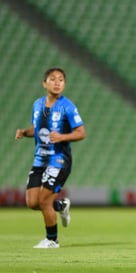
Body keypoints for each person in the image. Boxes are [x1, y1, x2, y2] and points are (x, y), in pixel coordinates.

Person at [15, 68, 86, 248]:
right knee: (32, 203)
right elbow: (36, 128)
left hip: (59, 160)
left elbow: (81, 132)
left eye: (61, 79)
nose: (57, 82)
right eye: (52, 79)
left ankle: (52, 240)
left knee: (44, 200)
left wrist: (62, 137)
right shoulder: (37, 104)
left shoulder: (67, 106)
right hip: (40, 159)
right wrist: (24, 132)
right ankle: (60, 206)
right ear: (44, 83)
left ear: (64, 84)